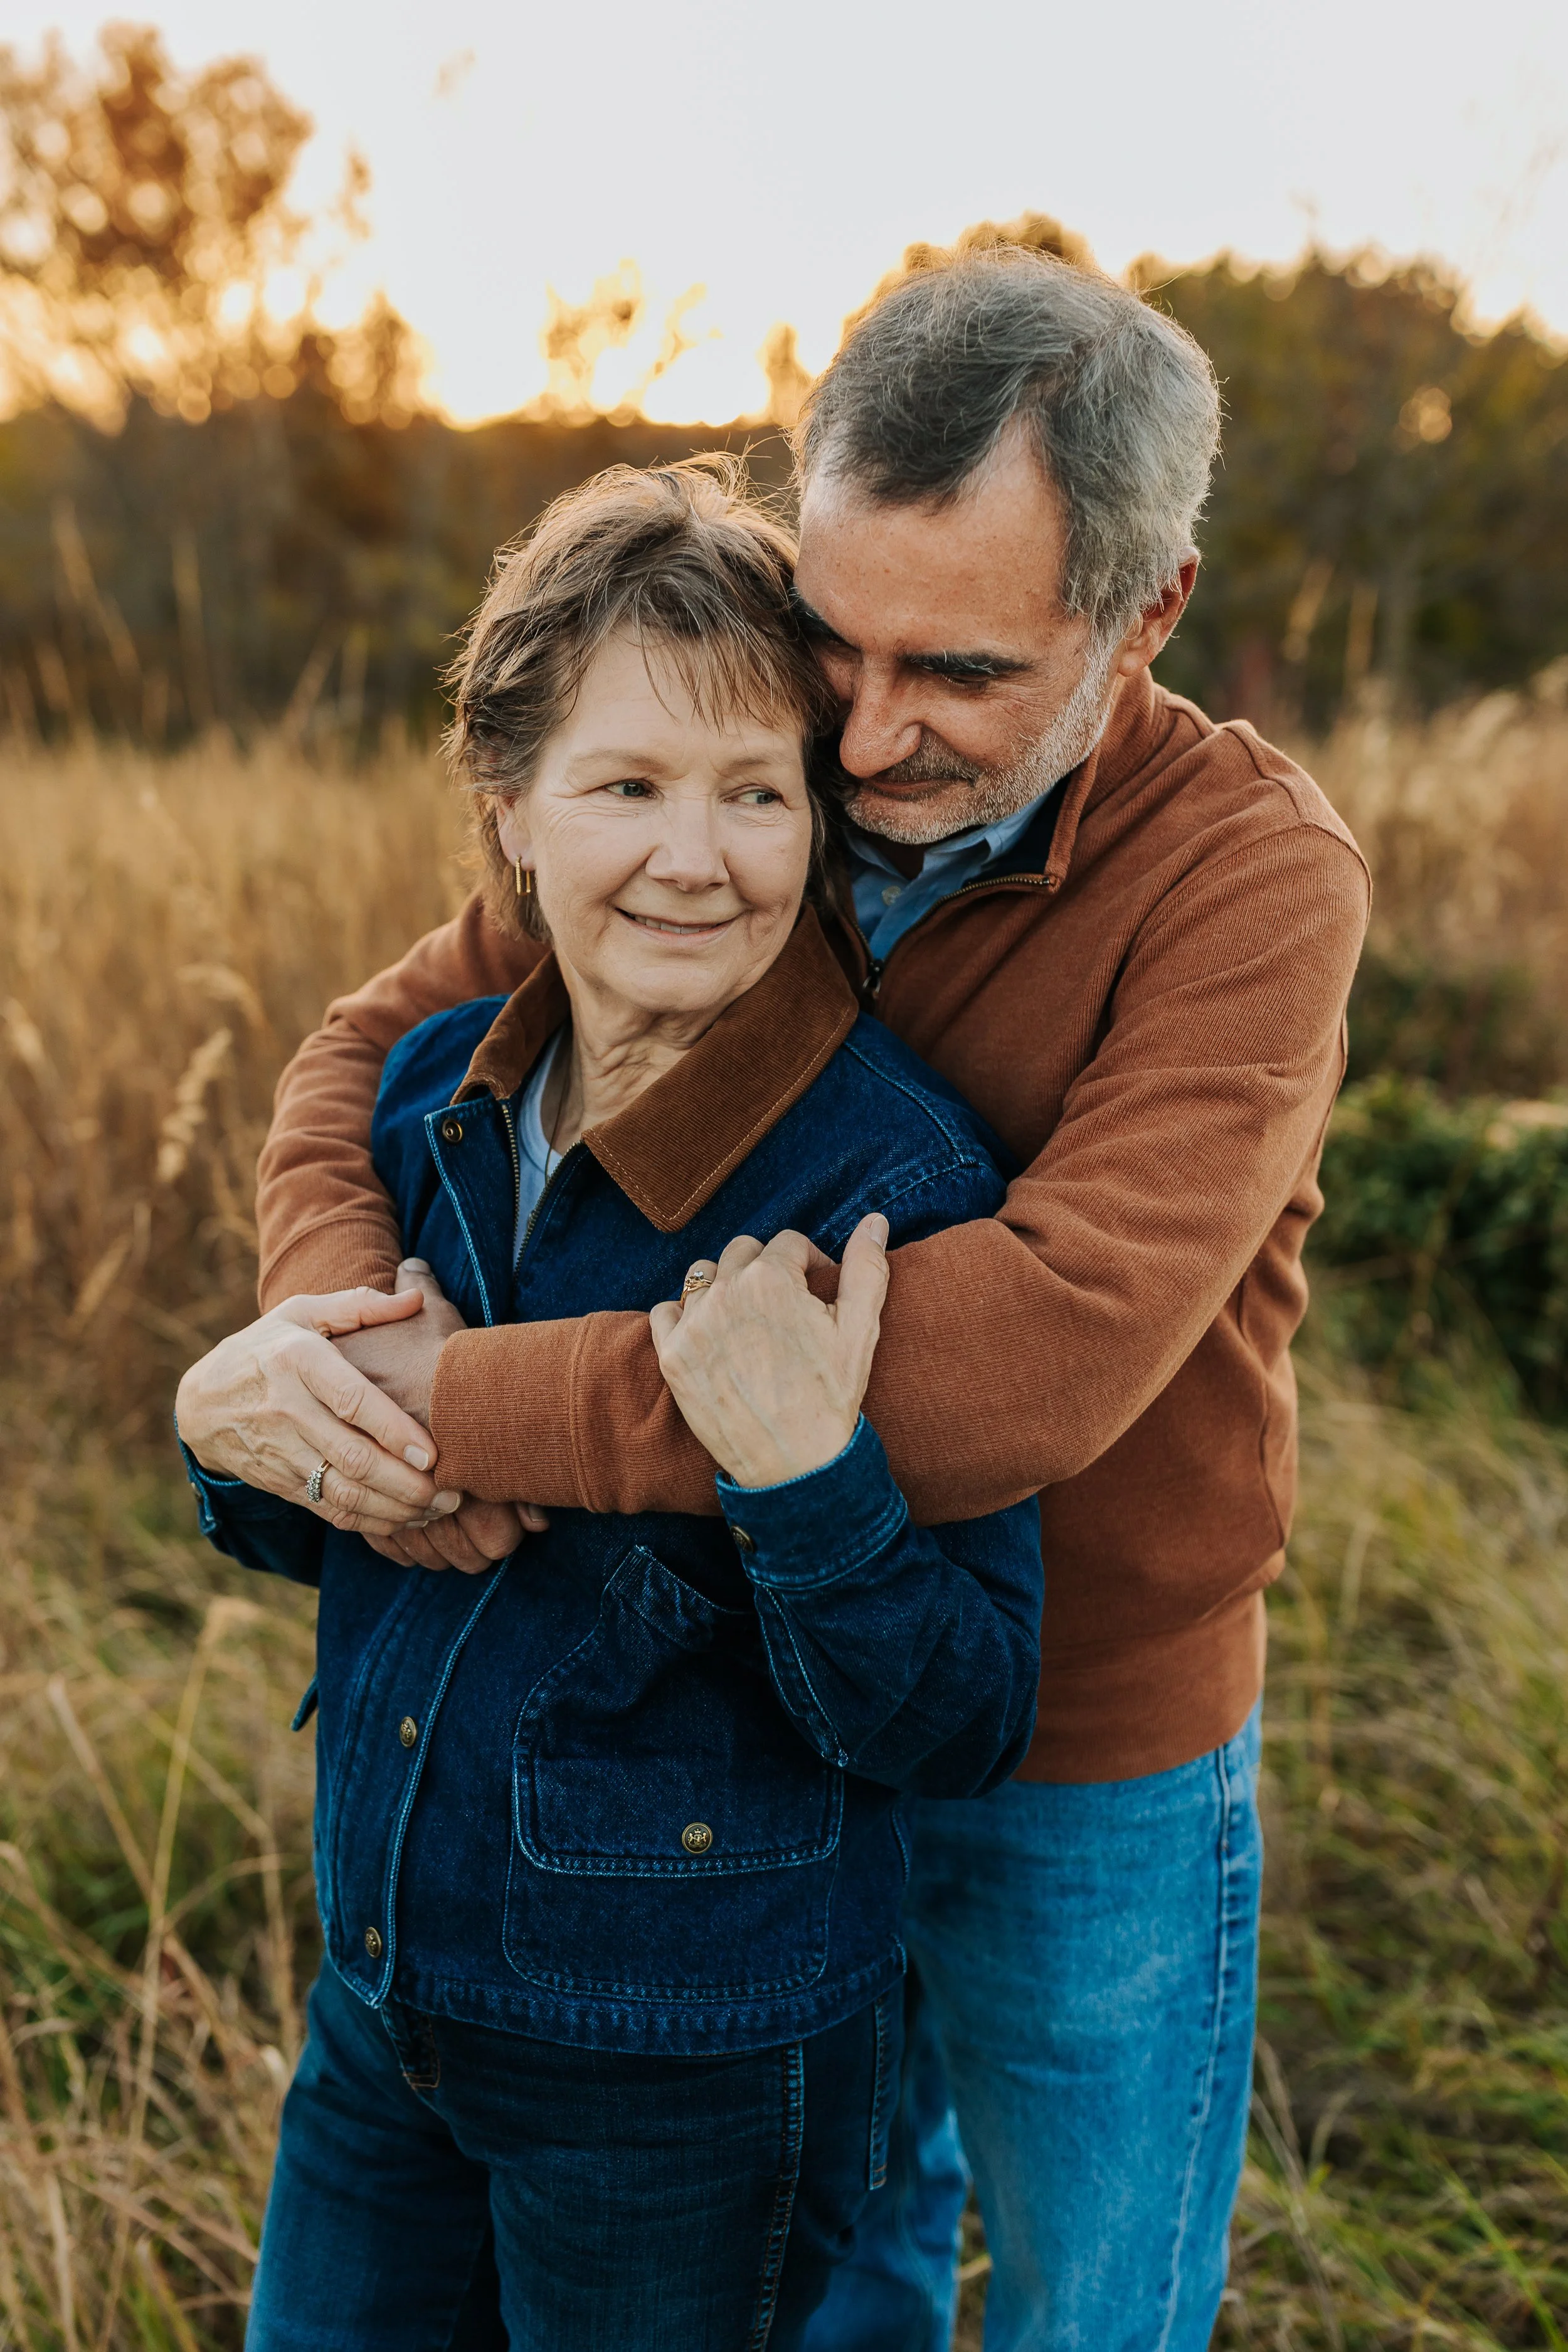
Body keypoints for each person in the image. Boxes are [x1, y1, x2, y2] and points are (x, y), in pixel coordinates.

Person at [227, 250, 1372, 2351]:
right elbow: (353, 1061)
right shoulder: (763, 782)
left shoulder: (1250, 882)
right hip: (744, 1741)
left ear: (1144, 616)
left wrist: (436, 1414)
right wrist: (319, 1351)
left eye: (948, 669)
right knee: (829, 2270)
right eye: (827, 640)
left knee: (1084, 2308)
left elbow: (1011, 1361)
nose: (855, 730)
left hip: (1080, 1740)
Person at [173, 463, 1044, 2350]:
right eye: (627, 784)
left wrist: (807, 1479)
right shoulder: (429, 1107)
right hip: (386, 2004)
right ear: (510, 805)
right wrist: (237, 1428)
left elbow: (963, 1712)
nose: (696, 855)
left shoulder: (883, 1186)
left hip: (685, 2077)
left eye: (756, 793)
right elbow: (298, 1514)